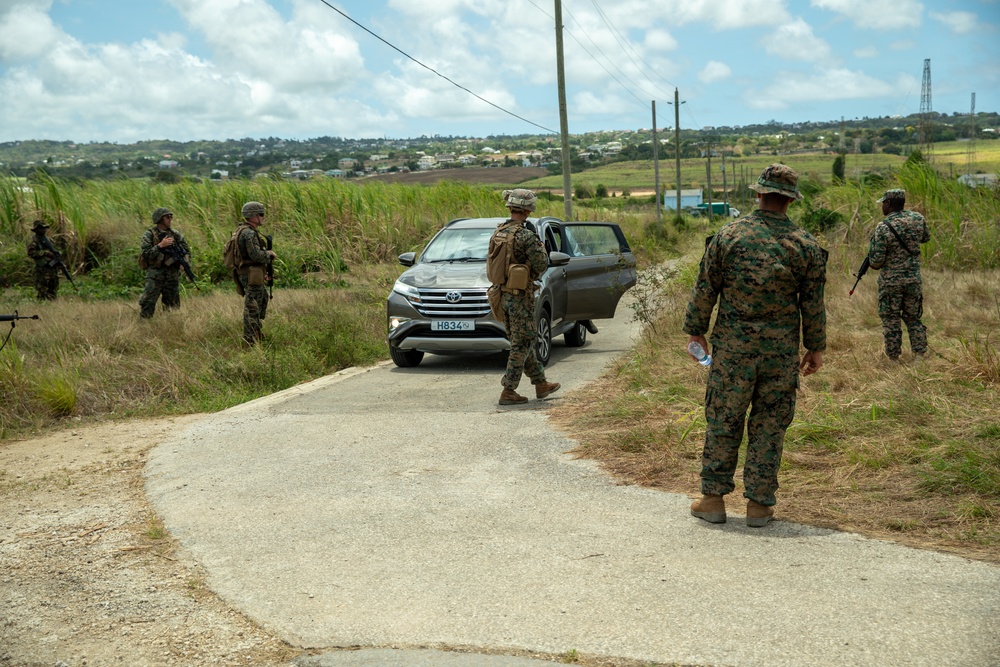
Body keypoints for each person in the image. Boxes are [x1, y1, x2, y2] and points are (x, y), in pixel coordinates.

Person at [683, 164, 827, 527]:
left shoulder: (728, 236)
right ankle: (759, 506)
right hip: (779, 355)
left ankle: (713, 499)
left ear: (759, 194)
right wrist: (815, 347)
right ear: (791, 200)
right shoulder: (805, 245)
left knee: (724, 418)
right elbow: (813, 303)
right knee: (769, 424)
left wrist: (696, 331)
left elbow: (705, 289)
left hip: (732, 351)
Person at [488, 188, 560, 405]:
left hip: (502, 295)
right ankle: (508, 390)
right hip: (521, 297)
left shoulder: (499, 232)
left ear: (510, 207)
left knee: (522, 339)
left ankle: (540, 383)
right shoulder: (526, 235)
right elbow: (541, 264)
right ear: (528, 211)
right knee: (524, 341)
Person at [867, 189, 930, 362]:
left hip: (891, 282)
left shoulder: (883, 226)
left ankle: (894, 358)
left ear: (888, 204)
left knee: (891, 319)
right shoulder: (918, 219)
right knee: (914, 318)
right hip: (913, 279)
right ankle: (919, 356)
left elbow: (876, 261)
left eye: (883, 203)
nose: (882, 206)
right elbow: (925, 238)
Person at [234, 201, 276, 346]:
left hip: (252, 272)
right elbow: (256, 255)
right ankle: (250, 339)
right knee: (252, 306)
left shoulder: (243, 230)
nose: (263, 217)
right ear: (253, 216)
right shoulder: (249, 233)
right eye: (261, 214)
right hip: (250, 274)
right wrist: (268, 254)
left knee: (261, 299)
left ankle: (256, 333)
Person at [139, 208, 191, 318]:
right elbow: (146, 254)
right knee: (148, 303)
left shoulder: (176, 235)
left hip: (172, 274)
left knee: (172, 306)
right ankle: (144, 326)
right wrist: (160, 246)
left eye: (171, 217)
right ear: (160, 219)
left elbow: (186, 251)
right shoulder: (149, 235)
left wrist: (185, 263)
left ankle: (170, 327)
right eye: (167, 217)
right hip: (155, 274)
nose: (170, 219)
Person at [26, 219, 59, 300]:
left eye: (44, 228)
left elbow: (55, 252)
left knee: (53, 289)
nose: (43, 230)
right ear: (36, 230)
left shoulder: (49, 240)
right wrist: (45, 253)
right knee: (42, 290)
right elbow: (31, 253)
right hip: (42, 269)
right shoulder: (33, 240)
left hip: (52, 268)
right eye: (41, 228)